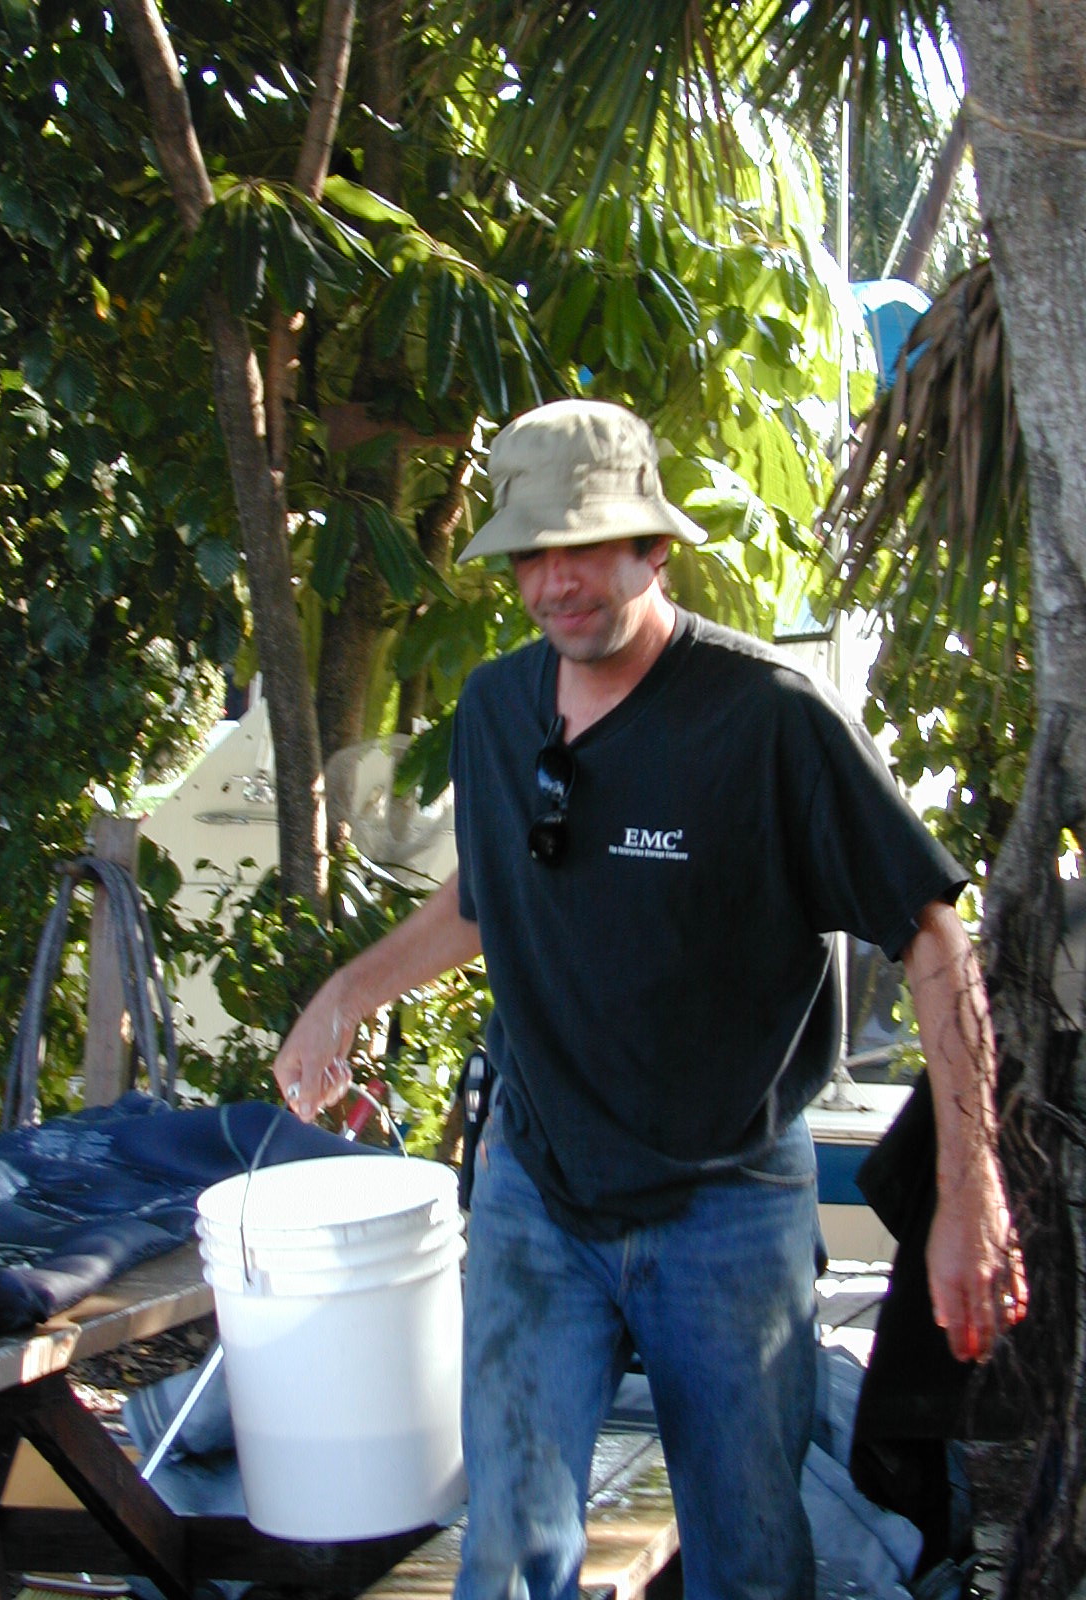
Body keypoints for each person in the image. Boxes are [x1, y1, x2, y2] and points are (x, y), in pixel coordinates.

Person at [273, 399, 1026, 1600]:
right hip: (537, 1189)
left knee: (751, 1560)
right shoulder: (497, 708)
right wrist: (344, 994)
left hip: (727, 1202)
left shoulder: (768, 716)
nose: (555, 582)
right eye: (531, 552)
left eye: (583, 545)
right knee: (507, 1556)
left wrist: (969, 1192)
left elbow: (932, 936)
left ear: (654, 545)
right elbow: (485, 900)